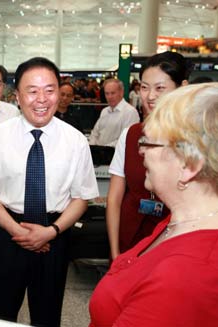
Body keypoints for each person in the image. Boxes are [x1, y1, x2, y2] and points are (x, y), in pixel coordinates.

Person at [90, 82, 218, 326]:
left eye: (149, 143)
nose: (141, 152)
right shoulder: (178, 221)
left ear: (188, 165)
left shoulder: (185, 274)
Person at [0, 57, 98, 327]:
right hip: (6, 234)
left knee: (47, 315)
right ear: (17, 96)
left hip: (55, 234)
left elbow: (81, 197)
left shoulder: (75, 141)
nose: (41, 99)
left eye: (49, 90)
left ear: (59, 93)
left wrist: (51, 231)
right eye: (32, 91)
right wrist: (17, 231)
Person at [106, 51, 191, 260]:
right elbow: (115, 198)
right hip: (130, 233)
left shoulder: (196, 139)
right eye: (144, 87)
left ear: (182, 87)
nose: (150, 96)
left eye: (160, 88)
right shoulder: (131, 134)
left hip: (176, 239)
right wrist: (115, 251)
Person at [89, 79, 139, 147]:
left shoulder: (130, 112)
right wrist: (92, 147)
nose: (109, 97)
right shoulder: (104, 111)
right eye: (107, 93)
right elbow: (94, 133)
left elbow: (126, 139)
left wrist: (103, 149)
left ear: (121, 92)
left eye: (113, 93)